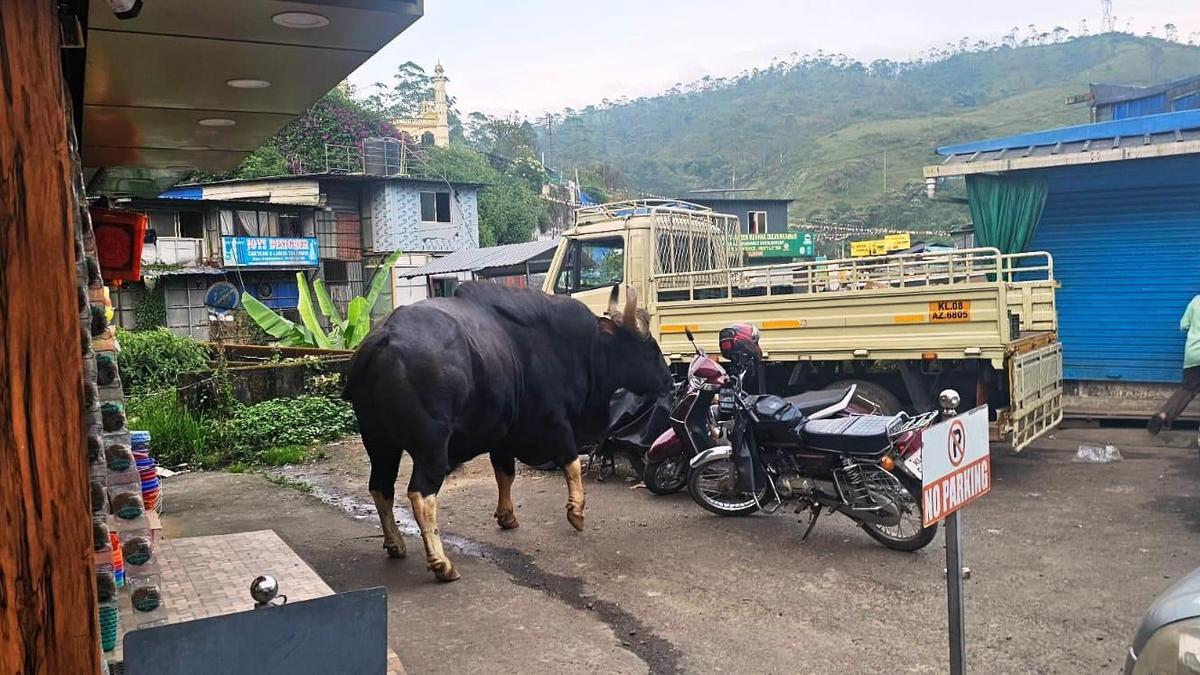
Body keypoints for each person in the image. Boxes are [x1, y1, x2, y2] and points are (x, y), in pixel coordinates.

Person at [1149, 294, 1200, 434]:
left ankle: (1163, 414)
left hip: (1194, 354)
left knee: (1187, 389)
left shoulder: (1196, 301)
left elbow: (1183, 325)